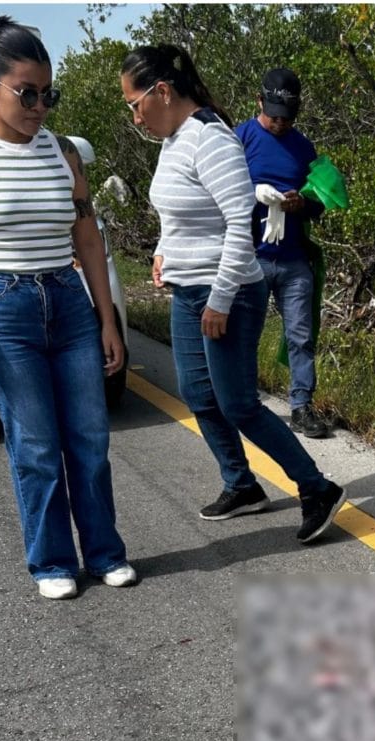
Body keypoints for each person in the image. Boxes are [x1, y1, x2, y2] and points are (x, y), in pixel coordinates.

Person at [0, 16, 136, 600]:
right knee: (37, 444)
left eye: (49, 93)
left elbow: (87, 236)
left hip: (68, 303)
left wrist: (105, 318)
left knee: (90, 438)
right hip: (3, 307)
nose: (40, 105)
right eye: (27, 92)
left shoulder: (64, 151)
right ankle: (51, 562)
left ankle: (104, 552)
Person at [119, 45, 345, 539]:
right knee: (199, 395)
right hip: (188, 288)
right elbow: (179, 211)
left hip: (226, 292)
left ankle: (317, 487)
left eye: (135, 104)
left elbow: (239, 229)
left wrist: (220, 299)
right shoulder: (172, 139)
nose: (134, 117)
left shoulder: (211, 138)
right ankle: (242, 486)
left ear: (161, 92)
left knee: (238, 403)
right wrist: (162, 251)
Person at [235, 68, 329, 439]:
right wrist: (255, 195)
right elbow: (214, 192)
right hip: (250, 256)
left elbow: (320, 201)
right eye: (273, 115)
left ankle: (302, 406)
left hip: (292, 259)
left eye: (287, 117)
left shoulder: (304, 147)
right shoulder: (239, 138)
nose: (279, 123)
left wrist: (300, 203)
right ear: (259, 102)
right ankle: (242, 405)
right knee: (244, 335)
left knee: (301, 336)